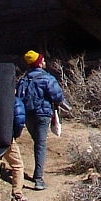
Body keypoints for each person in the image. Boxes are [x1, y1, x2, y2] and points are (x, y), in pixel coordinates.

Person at [18, 50, 71, 191]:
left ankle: (35, 174)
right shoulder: (47, 78)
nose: (44, 62)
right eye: (42, 60)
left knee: (37, 142)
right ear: (39, 63)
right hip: (43, 115)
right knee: (40, 144)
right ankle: (39, 179)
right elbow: (57, 96)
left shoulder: (24, 79)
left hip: (28, 116)